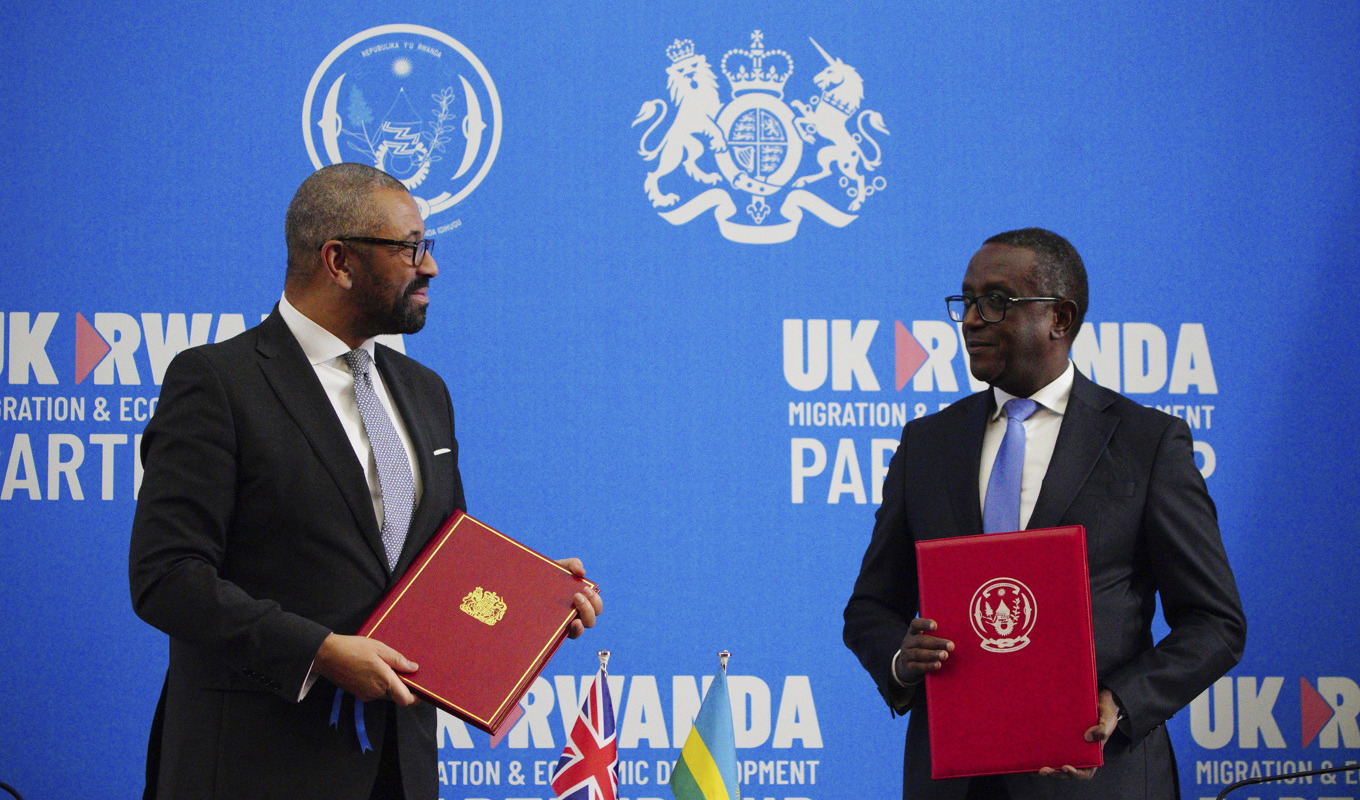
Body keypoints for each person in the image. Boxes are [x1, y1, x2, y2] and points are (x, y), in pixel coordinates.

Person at [128, 163, 603, 800]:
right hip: (256, 766)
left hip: (397, 769)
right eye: (410, 248)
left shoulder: (424, 392)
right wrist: (319, 651)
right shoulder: (217, 383)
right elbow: (167, 578)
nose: (429, 267)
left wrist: (532, 603)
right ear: (339, 260)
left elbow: (440, 569)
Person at [843, 228, 1245, 799]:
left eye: (997, 301)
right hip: (955, 781)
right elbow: (871, 606)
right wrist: (901, 661)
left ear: (1060, 318)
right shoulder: (927, 445)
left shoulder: (1147, 443)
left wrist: (1122, 704)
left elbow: (1215, 623)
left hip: (1098, 777)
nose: (972, 320)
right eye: (967, 300)